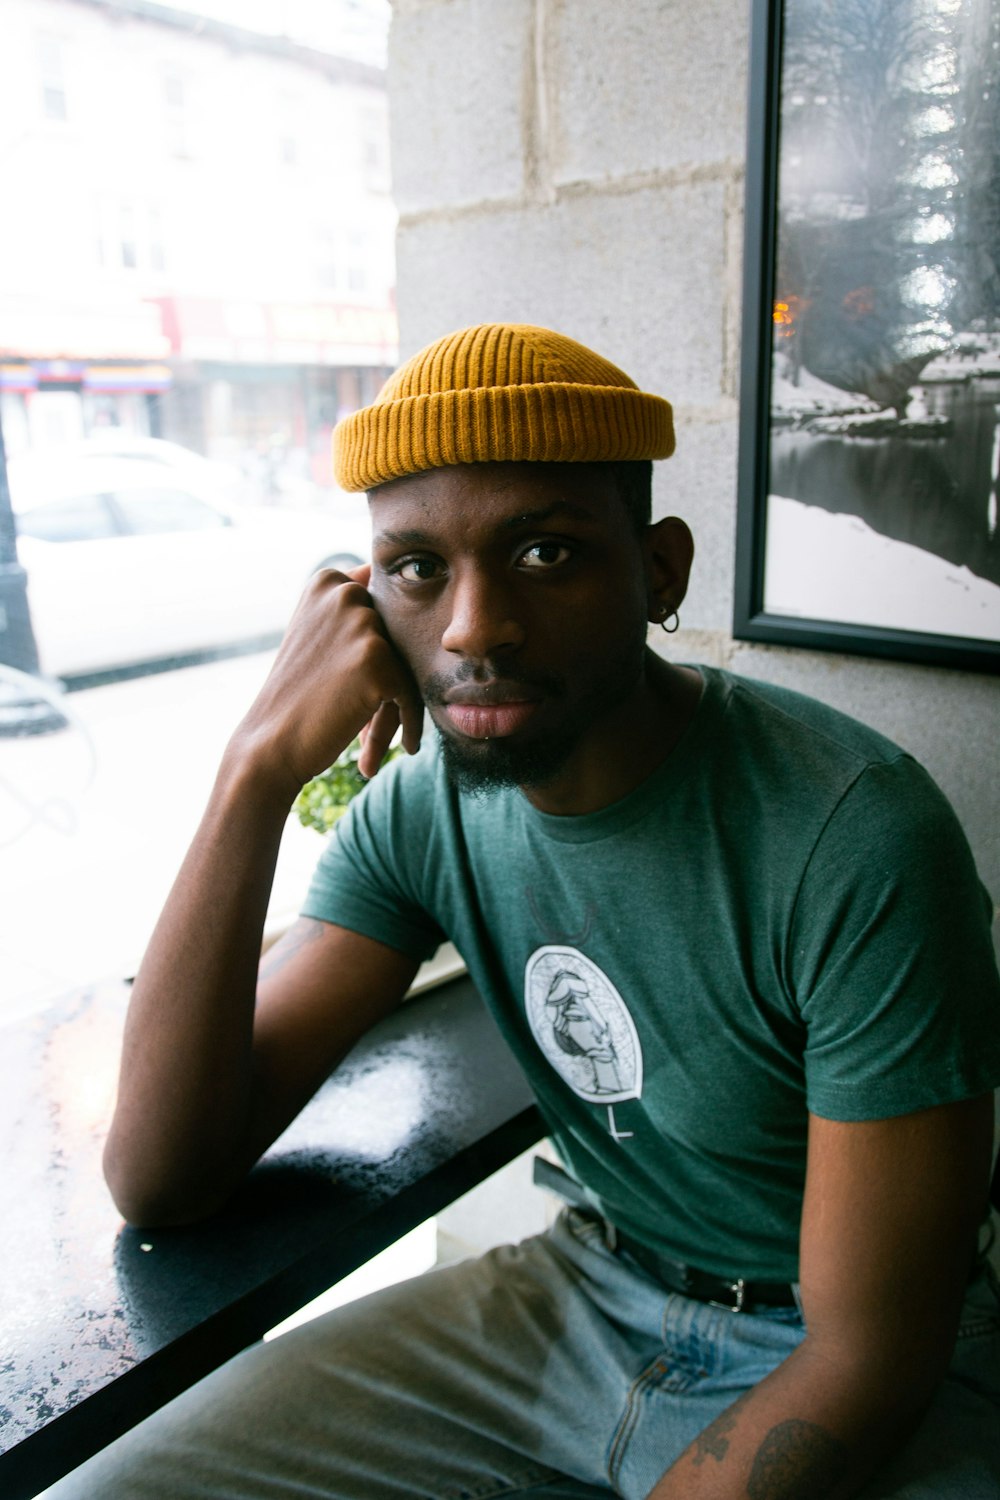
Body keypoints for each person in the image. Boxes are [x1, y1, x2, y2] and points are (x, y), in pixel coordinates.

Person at [52, 323, 1000, 1500]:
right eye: (416, 571)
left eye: (546, 554)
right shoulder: (422, 812)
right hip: (585, 1293)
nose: (470, 628)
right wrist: (254, 772)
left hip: (836, 1350)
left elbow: (870, 1353)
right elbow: (164, 1175)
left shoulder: (853, 834)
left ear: (658, 570)